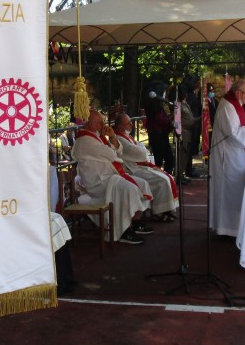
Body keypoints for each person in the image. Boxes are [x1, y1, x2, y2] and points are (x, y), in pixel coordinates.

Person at [71, 110, 153, 245]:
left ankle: (135, 222)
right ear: (89, 123)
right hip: (98, 182)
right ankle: (124, 230)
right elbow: (112, 155)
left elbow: (118, 151)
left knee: (142, 184)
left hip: (109, 176)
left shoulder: (97, 136)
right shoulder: (84, 140)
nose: (103, 125)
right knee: (129, 189)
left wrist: (113, 136)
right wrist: (113, 149)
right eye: (99, 122)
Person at [209, 79, 245, 236]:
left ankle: (235, 228)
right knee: (229, 193)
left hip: (236, 157)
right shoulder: (227, 107)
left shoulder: (236, 105)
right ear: (238, 93)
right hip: (228, 159)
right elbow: (233, 134)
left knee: (236, 193)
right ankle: (227, 229)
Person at [112, 112, 178, 221]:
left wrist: (142, 150)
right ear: (120, 127)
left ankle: (166, 209)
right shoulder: (119, 139)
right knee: (161, 180)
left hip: (139, 166)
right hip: (132, 170)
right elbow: (140, 153)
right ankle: (159, 211)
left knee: (167, 177)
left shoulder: (127, 137)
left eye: (130, 122)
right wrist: (142, 150)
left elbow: (142, 149)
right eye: (128, 123)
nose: (131, 125)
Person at [143, 89, 175, 173]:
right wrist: (171, 117)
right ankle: (160, 177)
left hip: (161, 135)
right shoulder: (153, 107)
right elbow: (161, 120)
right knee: (159, 160)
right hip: (158, 136)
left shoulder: (159, 106)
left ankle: (166, 176)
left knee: (169, 159)